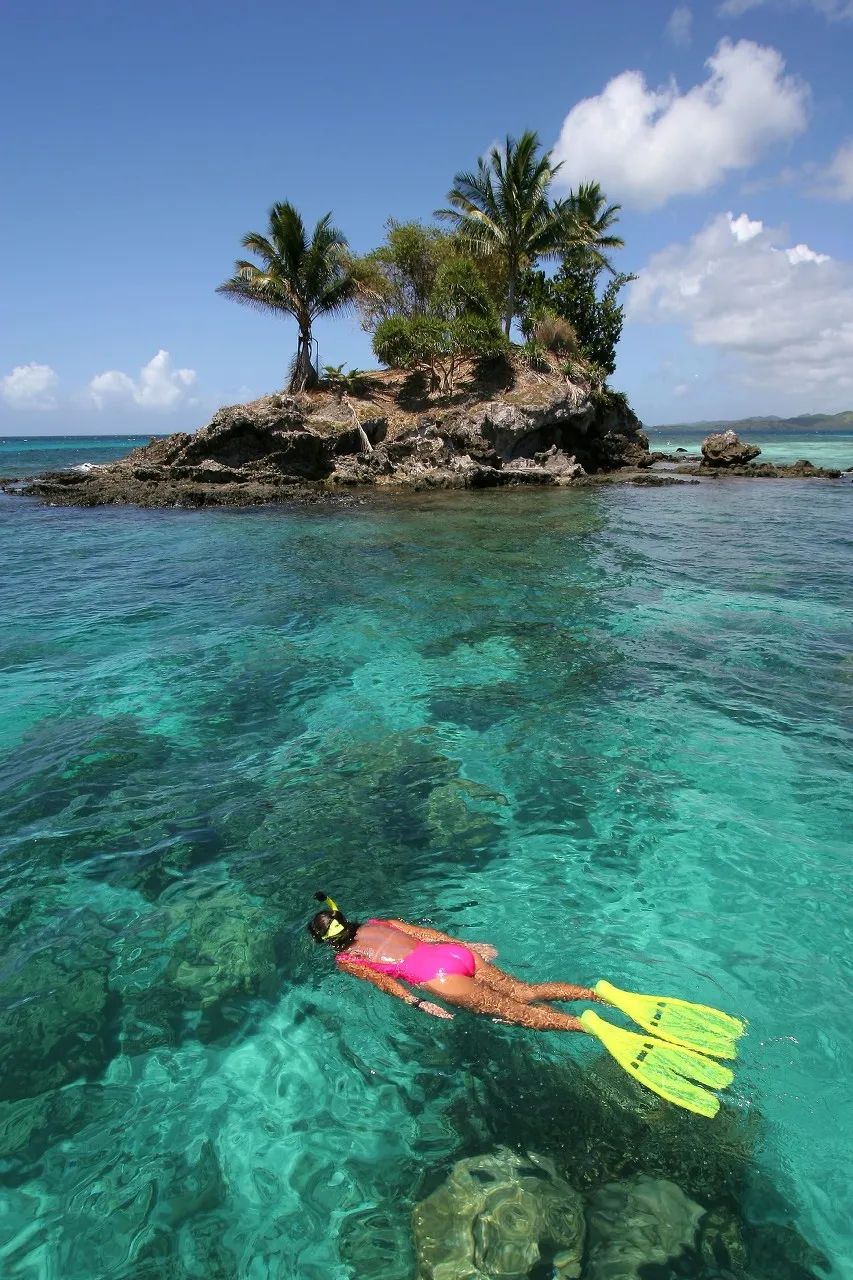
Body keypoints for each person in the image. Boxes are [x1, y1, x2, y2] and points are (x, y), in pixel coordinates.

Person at [308, 894, 600, 1030]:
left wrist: (417, 1002)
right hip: (454, 954)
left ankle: (590, 1028)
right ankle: (595, 996)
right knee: (525, 992)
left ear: (326, 941)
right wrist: (466, 945)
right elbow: (425, 933)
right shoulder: (379, 922)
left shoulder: (346, 959)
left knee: (515, 1014)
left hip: (440, 976)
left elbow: (383, 981)